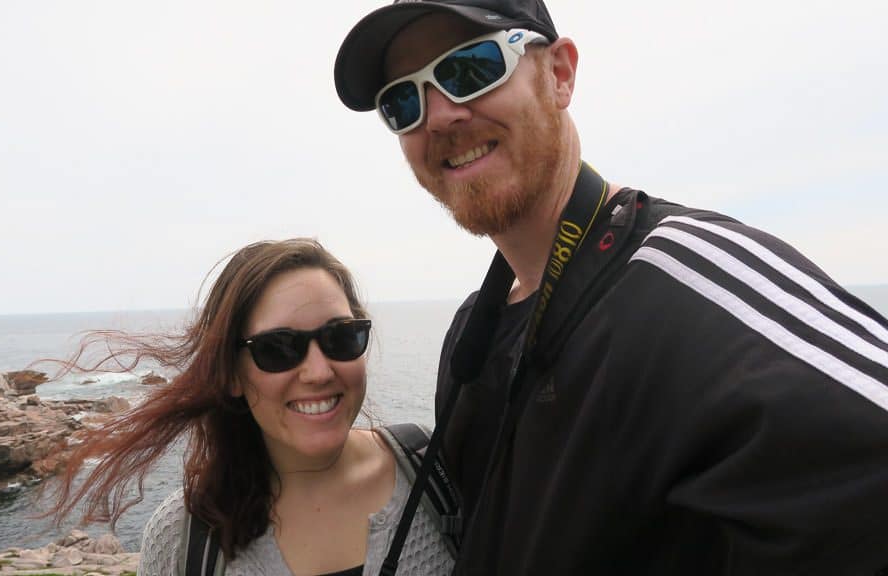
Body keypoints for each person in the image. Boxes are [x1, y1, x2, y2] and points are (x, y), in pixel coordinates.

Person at [333, 1, 888, 574]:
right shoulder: (473, 334)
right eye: (403, 101)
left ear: (560, 73)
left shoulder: (684, 283)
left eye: (472, 67)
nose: (441, 114)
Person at [45, 239, 454, 576]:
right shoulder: (184, 538)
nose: (317, 371)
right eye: (278, 348)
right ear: (231, 374)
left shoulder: (438, 474)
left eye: (341, 337)